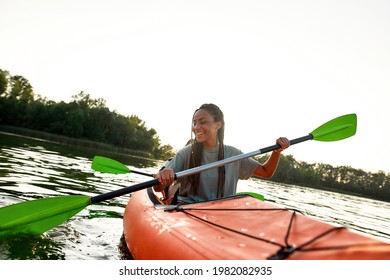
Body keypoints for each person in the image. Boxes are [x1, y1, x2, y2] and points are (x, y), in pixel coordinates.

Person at [153, 103, 290, 204]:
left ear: (218, 124)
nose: (196, 127)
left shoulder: (234, 155)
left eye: (203, 122)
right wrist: (164, 177)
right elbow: (158, 187)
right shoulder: (186, 152)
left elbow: (266, 172)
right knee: (172, 188)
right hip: (186, 210)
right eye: (194, 123)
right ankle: (172, 190)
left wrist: (276, 151)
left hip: (221, 212)